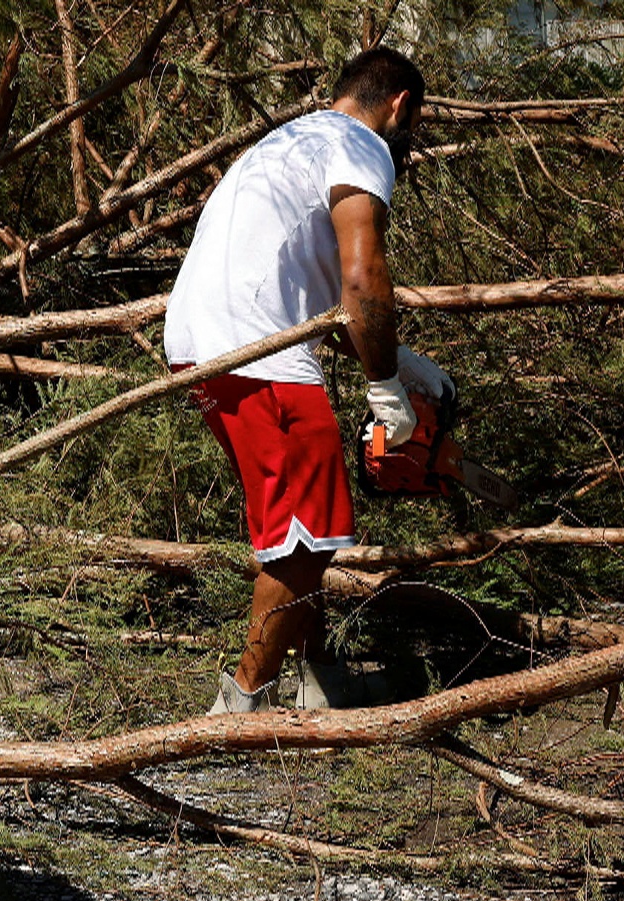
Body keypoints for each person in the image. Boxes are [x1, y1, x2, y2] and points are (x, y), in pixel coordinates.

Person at [163, 46, 450, 713]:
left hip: (203, 342)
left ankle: (320, 680)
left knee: (294, 526)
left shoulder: (290, 142)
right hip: (255, 352)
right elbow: (362, 277)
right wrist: (383, 388)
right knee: (304, 541)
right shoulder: (361, 144)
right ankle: (239, 707)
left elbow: (318, 302)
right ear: (401, 105)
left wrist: (401, 363)